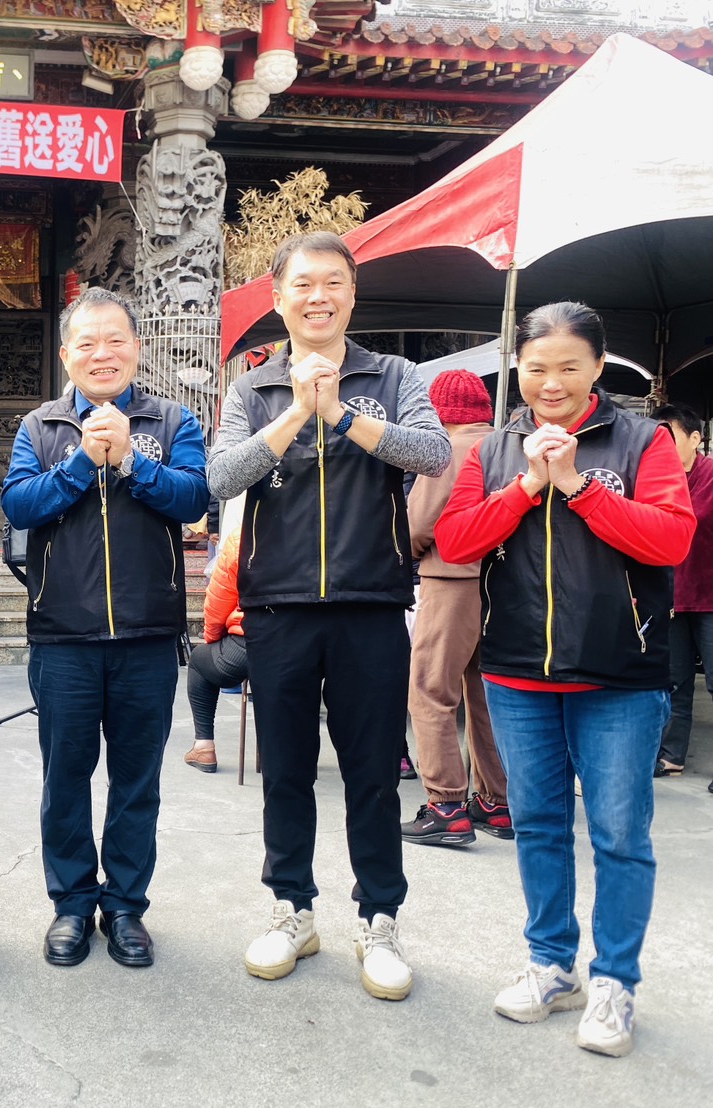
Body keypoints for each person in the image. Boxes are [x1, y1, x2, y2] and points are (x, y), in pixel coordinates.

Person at [435, 301, 694, 1057]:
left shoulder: (641, 441)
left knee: (618, 836)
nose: (551, 383)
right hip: (517, 673)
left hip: (620, 676)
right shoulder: (493, 449)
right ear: (517, 367)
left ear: (597, 368)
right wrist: (524, 488)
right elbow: (456, 539)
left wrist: (578, 486)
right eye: (536, 367)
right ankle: (552, 965)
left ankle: (614, 981)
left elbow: (671, 540)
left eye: (569, 368)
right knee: (539, 827)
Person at [209, 231, 450, 1001]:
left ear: (351, 294)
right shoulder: (251, 388)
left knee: (372, 774)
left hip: (370, 604)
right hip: (276, 607)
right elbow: (221, 477)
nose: (318, 297)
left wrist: (341, 414)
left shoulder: (393, 375)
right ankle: (291, 911)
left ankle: (378, 919)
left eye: (333, 283)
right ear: (277, 298)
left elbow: (432, 454)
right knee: (284, 771)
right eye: (303, 284)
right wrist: (294, 415)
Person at [3, 287, 208, 969]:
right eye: (86, 343)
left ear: (136, 349)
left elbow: (194, 497)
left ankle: (124, 907)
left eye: (115, 340)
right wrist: (81, 463)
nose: (102, 354)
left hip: (147, 636)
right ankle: (70, 904)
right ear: (66, 355)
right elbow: (18, 506)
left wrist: (130, 461)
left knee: (136, 782)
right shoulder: (40, 427)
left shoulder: (171, 420)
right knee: (65, 779)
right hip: (62, 636)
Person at [401, 370, 512, 846]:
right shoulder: (510, 446)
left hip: (452, 580)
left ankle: (445, 805)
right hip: (506, 586)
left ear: (439, 411)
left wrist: (403, 554)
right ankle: (497, 802)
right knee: (487, 694)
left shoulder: (445, 450)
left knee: (430, 691)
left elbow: (416, 526)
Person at [649, 402, 713, 784]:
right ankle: (672, 756)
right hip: (671, 596)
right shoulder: (656, 480)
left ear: (695, 439)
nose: (662, 444)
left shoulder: (710, 477)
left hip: (709, 597)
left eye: (669, 436)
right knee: (675, 680)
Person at [181, 526, 249, 773]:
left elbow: (219, 598)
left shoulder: (245, 535)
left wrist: (212, 639)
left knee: (200, 660)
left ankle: (204, 746)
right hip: (314, 643)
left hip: (251, 640)